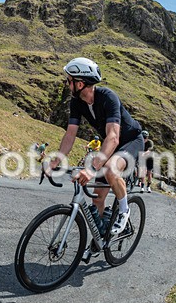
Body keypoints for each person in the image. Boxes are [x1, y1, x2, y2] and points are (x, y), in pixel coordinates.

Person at [45, 57, 143, 235]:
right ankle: (100, 239)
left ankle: (124, 210)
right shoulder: (76, 102)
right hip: (111, 144)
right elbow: (70, 134)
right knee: (97, 197)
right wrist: (56, 160)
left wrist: (90, 170)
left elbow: (113, 137)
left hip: (131, 141)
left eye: (69, 80)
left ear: (80, 83)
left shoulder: (108, 97)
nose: (67, 84)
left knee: (111, 168)